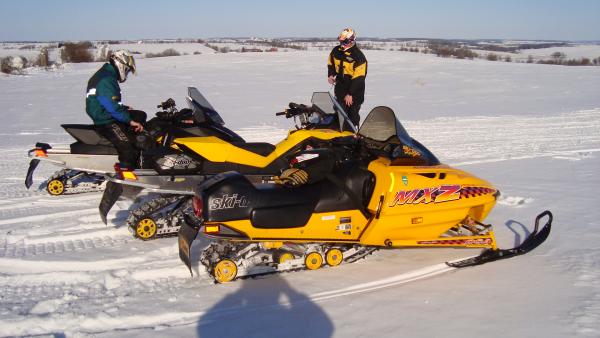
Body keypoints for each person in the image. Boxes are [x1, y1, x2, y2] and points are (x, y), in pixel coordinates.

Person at [85, 50, 146, 169]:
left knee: (140, 115)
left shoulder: (106, 75)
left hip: (106, 114)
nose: (127, 73)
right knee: (127, 147)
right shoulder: (106, 79)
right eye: (127, 70)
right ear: (120, 64)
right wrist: (129, 121)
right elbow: (111, 106)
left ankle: (143, 155)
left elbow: (110, 101)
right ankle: (124, 177)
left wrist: (124, 108)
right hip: (105, 121)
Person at [327, 28, 367, 128]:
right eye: (341, 41)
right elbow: (330, 63)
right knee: (339, 114)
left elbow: (359, 78)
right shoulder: (336, 51)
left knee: (352, 117)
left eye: (344, 42)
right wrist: (331, 74)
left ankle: (354, 136)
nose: (342, 44)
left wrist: (350, 94)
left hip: (354, 92)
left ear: (352, 40)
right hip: (340, 89)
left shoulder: (359, 57)